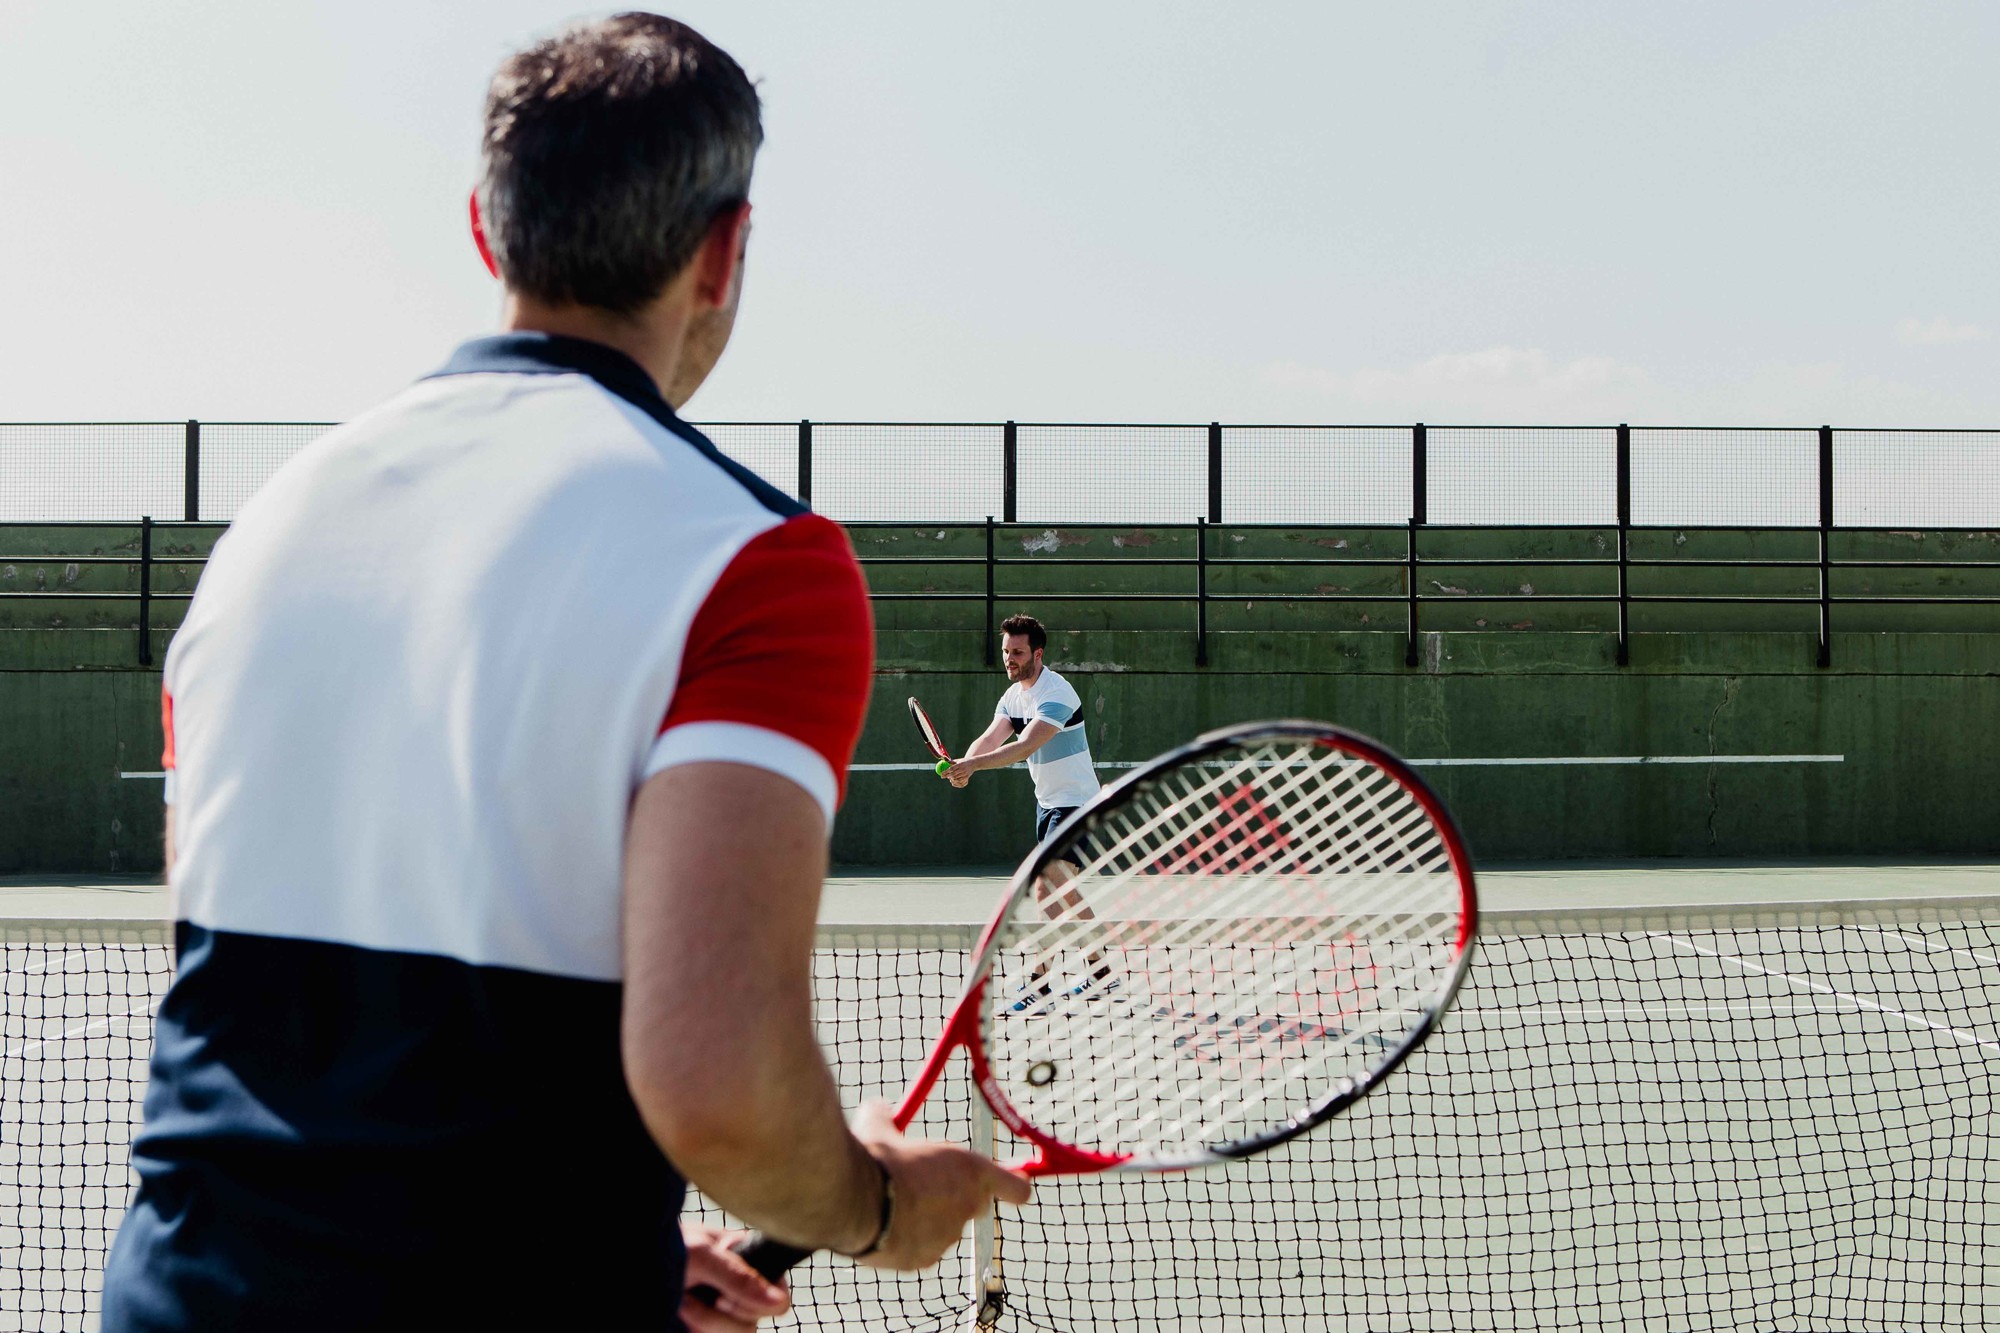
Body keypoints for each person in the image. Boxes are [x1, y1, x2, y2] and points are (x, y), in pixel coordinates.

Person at [101, 16, 1025, 1333]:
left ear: (487, 231)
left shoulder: (265, 529)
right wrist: (877, 1204)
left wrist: (615, 1238)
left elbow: (256, 990)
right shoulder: (757, 564)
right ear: (724, 254)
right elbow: (716, 1088)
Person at [943, 614, 1102, 905]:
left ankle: (1065, 951)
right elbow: (991, 739)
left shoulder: (1058, 694)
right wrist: (963, 766)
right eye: (1006, 651)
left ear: (1037, 654)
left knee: (1049, 882)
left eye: (1017, 652)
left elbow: (1025, 746)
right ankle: (1096, 950)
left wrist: (973, 765)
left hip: (1076, 802)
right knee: (1056, 890)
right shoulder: (1012, 697)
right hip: (1047, 804)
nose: (1008, 659)